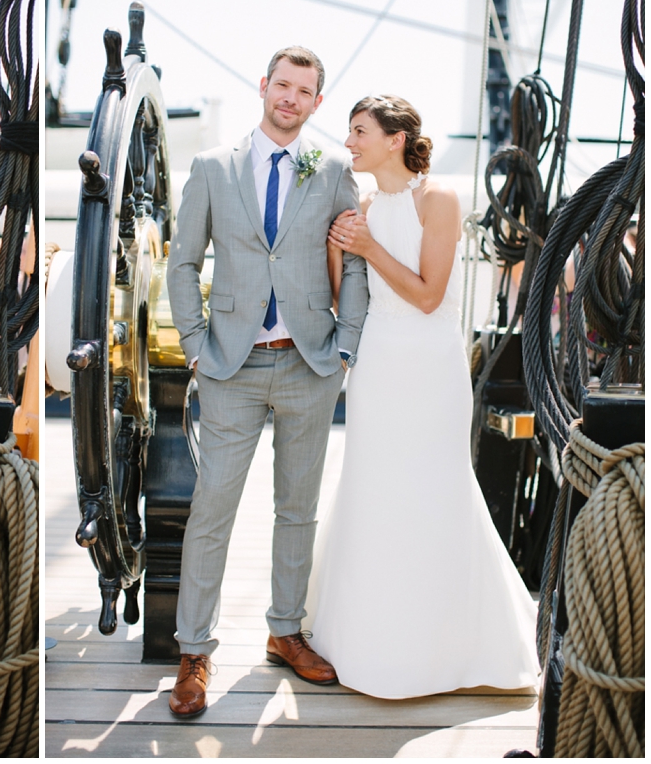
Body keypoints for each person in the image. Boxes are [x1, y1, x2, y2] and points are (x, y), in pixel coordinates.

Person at [306, 95, 539, 698]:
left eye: (360, 132)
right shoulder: (359, 207)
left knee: (434, 488)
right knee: (373, 486)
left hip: (430, 365)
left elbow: (430, 295)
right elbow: (343, 300)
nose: (350, 142)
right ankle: (368, 636)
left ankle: (445, 645)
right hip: (377, 363)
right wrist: (337, 251)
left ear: (395, 138)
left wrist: (365, 248)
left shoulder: (439, 199)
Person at [165, 46, 369, 718]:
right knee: (212, 510)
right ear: (263, 87)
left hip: (310, 363)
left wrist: (347, 344)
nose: (290, 98)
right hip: (231, 366)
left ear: (316, 102)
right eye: (282, 85)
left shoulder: (334, 168)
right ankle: (194, 651)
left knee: (297, 509)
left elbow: (354, 260)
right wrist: (195, 344)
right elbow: (183, 262)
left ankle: (285, 631)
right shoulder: (213, 168)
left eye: (304, 91)